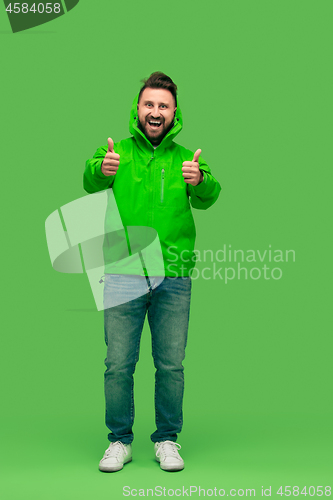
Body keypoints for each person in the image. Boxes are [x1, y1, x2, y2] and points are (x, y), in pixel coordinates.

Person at [84, 72, 221, 472]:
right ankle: (119, 441)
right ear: (137, 109)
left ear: (174, 113)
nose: (155, 112)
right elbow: (90, 176)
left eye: (163, 105)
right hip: (123, 272)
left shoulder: (186, 159)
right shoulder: (118, 152)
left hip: (174, 275)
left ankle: (167, 439)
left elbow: (211, 195)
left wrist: (201, 181)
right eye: (149, 104)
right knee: (118, 363)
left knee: (171, 364)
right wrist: (102, 170)